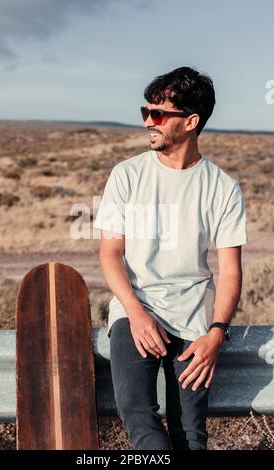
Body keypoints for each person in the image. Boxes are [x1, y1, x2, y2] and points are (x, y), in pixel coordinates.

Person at [93, 66, 249, 450]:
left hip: (195, 318)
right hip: (135, 309)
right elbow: (110, 254)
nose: (149, 121)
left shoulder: (223, 188)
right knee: (143, 426)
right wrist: (135, 313)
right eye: (145, 112)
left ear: (191, 121)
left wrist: (216, 333)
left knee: (191, 437)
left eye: (158, 114)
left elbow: (230, 271)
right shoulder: (126, 175)